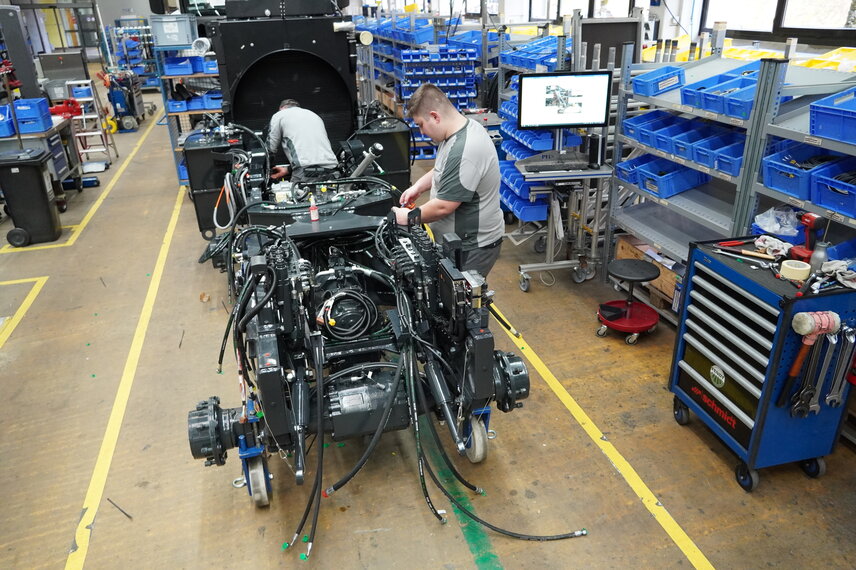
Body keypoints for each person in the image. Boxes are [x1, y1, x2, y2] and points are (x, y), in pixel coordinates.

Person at [392, 83, 503, 277]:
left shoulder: (466, 148)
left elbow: (443, 207)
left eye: (420, 125)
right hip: (458, 242)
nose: (422, 132)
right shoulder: (457, 132)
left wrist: (407, 218)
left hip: (471, 247)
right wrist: (419, 187)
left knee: (464, 303)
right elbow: (443, 170)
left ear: (435, 116)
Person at [267, 99, 339, 183]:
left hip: (305, 173)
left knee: (295, 195)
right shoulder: (313, 114)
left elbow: (270, 148)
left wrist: (268, 171)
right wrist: (288, 169)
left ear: (281, 108)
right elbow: (311, 153)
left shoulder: (279, 115)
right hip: (332, 170)